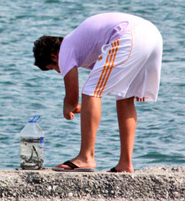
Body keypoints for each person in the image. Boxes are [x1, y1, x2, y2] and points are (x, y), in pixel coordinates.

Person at [32, 12, 162, 173]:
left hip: (130, 36)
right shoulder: (84, 46)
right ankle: (125, 164)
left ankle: (86, 157)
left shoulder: (65, 48)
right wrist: (83, 106)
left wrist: (68, 108)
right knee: (124, 97)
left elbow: (72, 96)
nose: (59, 72)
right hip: (152, 35)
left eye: (53, 68)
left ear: (53, 55)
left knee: (91, 91)